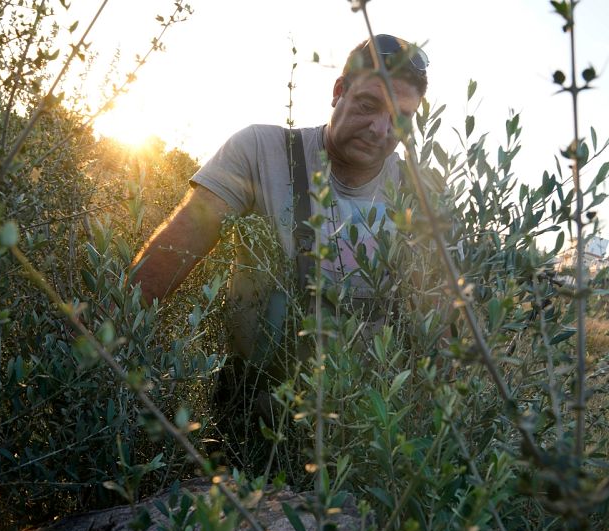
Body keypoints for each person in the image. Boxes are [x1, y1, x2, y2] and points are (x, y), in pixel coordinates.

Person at [129, 34, 428, 467]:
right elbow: (168, 259)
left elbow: (442, 331)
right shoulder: (261, 152)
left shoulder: (421, 195)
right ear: (338, 91)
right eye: (367, 105)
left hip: (362, 446)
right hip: (249, 434)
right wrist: (100, 349)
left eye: (400, 118)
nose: (381, 130)